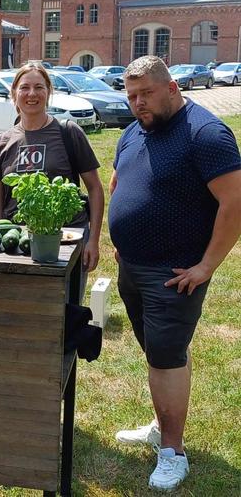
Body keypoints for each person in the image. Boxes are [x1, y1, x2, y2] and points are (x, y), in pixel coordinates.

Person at [109, 55, 241, 491]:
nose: (139, 103)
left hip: (174, 271)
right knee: (158, 354)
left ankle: (172, 451)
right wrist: (124, 238)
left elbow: (234, 203)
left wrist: (206, 265)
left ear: (172, 88)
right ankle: (160, 426)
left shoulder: (205, 134)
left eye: (147, 93)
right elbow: (120, 181)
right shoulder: (134, 131)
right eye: (132, 97)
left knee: (165, 358)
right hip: (133, 265)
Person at [0, 61, 104, 274]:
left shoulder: (68, 132)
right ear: (14, 93)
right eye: (24, 87)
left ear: (49, 92)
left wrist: (93, 240)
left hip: (67, 240)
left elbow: (95, 189)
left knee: (65, 306)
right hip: (17, 242)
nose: (32, 93)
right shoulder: (2, 142)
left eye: (39, 87)